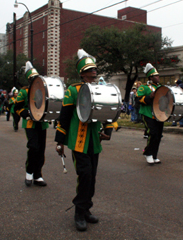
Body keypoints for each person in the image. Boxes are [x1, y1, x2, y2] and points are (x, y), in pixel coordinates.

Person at [55, 49, 113, 232]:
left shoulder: (100, 89)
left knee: (92, 178)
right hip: (78, 141)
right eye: (89, 70)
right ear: (82, 73)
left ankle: (86, 209)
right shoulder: (73, 90)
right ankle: (79, 212)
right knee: (85, 175)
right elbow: (64, 117)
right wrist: (59, 141)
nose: (93, 73)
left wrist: (108, 131)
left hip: (94, 141)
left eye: (95, 70)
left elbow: (109, 113)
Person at [15, 62, 49, 187]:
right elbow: (17, 108)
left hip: (42, 124)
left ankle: (38, 174)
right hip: (30, 123)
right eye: (32, 79)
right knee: (33, 147)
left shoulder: (44, 90)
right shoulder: (24, 92)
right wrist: (26, 113)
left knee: (41, 150)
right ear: (29, 80)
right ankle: (29, 172)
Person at [137, 63, 164, 165]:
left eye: (158, 75)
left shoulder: (161, 87)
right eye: (156, 76)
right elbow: (138, 100)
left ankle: (154, 155)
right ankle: (148, 153)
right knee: (152, 133)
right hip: (148, 113)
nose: (158, 77)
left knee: (158, 135)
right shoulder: (144, 88)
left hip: (159, 114)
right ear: (151, 77)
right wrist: (150, 97)